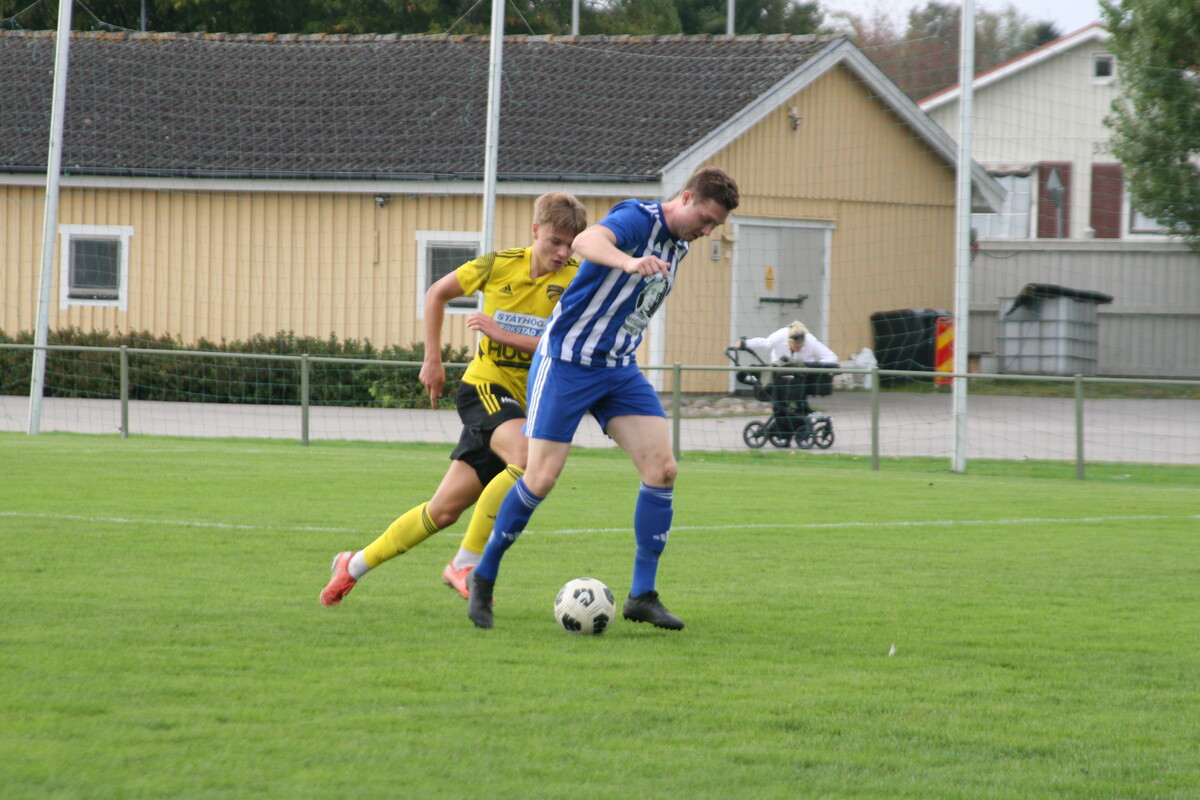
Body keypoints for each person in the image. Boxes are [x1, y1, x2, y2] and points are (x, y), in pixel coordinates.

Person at [465, 166, 741, 630]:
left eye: (716, 225)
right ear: (686, 197)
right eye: (706, 219)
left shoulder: (680, 244)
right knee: (541, 477)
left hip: (618, 369)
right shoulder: (638, 218)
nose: (708, 230)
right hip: (567, 362)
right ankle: (484, 573)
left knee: (663, 469)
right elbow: (586, 241)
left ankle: (642, 595)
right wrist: (628, 262)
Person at [320, 191, 588, 606]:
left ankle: (352, 565)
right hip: (485, 388)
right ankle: (465, 564)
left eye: (570, 244)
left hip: (525, 405)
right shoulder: (497, 265)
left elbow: (567, 344)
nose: (563, 252)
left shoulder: (576, 280)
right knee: (527, 458)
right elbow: (436, 293)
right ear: (536, 230)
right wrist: (433, 359)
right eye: (555, 241)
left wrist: (502, 334)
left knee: (442, 511)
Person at [742, 320, 838, 367]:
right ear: (789, 342)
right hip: (779, 371)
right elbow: (765, 343)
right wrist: (745, 343)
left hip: (802, 376)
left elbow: (831, 357)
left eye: (800, 347)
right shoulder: (781, 335)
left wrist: (813, 365)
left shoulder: (811, 341)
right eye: (795, 347)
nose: (797, 349)